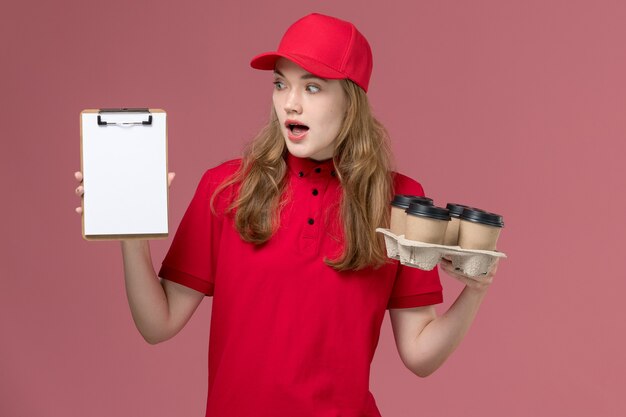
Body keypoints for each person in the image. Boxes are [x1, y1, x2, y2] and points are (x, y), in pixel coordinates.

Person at [74, 12, 498, 417]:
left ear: (350, 100)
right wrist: (131, 231)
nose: (290, 103)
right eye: (281, 84)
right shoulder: (225, 189)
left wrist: (475, 290)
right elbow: (158, 323)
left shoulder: (400, 200)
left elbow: (420, 355)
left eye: (312, 88)